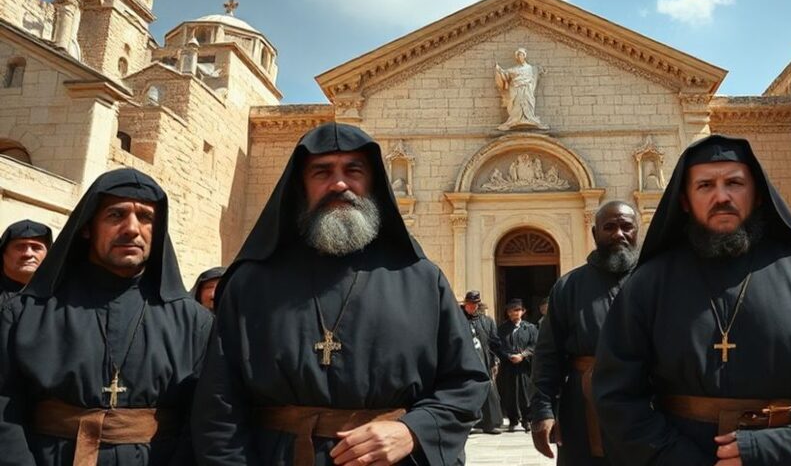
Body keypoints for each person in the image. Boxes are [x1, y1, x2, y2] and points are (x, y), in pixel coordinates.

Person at [192, 122, 489, 465]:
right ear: (300, 187)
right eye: (321, 172)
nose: (339, 184)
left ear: (373, 184)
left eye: (353, 170)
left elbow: (467, 382)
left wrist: (412, 430)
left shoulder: (422, 280)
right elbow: (219, 405)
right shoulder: (251, 283)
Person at [593, 135, 791, 465]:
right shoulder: (649, 283)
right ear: (685, 201)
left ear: (758, 194)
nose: (722, 196)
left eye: (734, 183)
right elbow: (616, 393)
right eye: (705, 185)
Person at [0, 168, 214, 465]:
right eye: (116, 215)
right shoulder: (26, 313)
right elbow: (4, 410)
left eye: (146, 218)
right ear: (88, 227)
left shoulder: (195, 323)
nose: (132, 228)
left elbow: (204, 420)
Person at [531, 201, 640, 465]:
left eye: (626, 227)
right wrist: (543, 411)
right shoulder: (568, 286)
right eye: (609, 227)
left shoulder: (655, 279)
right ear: (594, 234)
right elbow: (547, 355)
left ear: (637, 231)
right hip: (584, 409)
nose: (618, 234)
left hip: (646, 404)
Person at [462, 290, 504, 435]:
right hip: (464, 362)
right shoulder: (458, 319)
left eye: (475, 304)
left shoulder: (487, 321)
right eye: (470, 304)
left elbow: (494, 342)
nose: (473, 307)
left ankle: (491, 423)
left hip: (484, 360)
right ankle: (469, 424)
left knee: (489, 390)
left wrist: (495, 359)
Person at [497, 298, 538, 432]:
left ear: (523, 311)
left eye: (517, 310)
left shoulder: (530, 328)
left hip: (525, 366)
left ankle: (527, 419)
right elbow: (498, 346)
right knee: (510, 393)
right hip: (508, 366)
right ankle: (513, 420)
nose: (515, 313)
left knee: (525, 393)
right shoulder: (502, 329)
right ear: (508, 313)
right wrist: (508, 356)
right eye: (512, 311)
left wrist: (523, 355)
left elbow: (534, 345)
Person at [494, 47, 547, 130]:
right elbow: (505, 74)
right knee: (517, 104)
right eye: (518, 56)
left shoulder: (531, 68)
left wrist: (540, 69)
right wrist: (499, 70)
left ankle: (529, 118)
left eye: (521, 55)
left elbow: (538, 71)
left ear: (524, 56)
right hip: (517, 90)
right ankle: (516, 119)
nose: (520, 57)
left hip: (527, 90)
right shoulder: (515, 69)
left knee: (528, 102)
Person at [0, 219, 52, 304]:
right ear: (4, 254)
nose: (28, 254)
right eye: (19, 247)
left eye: (36, 248)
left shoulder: (57, 300)